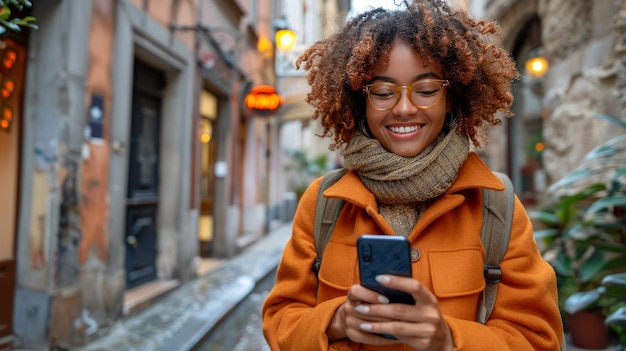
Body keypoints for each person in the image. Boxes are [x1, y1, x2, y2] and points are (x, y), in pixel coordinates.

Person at [262, 0, 564, 350]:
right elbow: (281, 319)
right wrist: (335, 322)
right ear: (361, 100)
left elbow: (539, 339)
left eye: (425, 90)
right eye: (384, 92)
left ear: (450, 98)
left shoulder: (495, 204)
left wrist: (449, 339)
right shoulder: (324, 203)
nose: (404, 108)